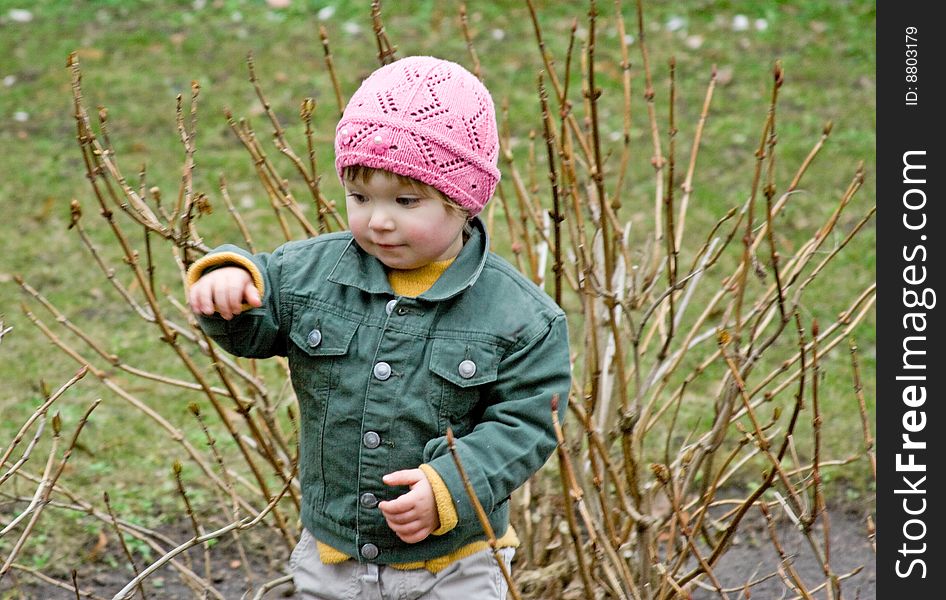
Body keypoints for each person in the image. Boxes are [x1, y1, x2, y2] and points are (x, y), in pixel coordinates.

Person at [187, 55, 571, 599]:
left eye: (405, 200)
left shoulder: (520, 319)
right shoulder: (313, 275)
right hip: (333, 557)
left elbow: (527, 424)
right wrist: (226, 280)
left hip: (453, 566)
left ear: (463, 202)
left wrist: (449, 489)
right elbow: (259, 307)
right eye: (360, 197)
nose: (378, 219)